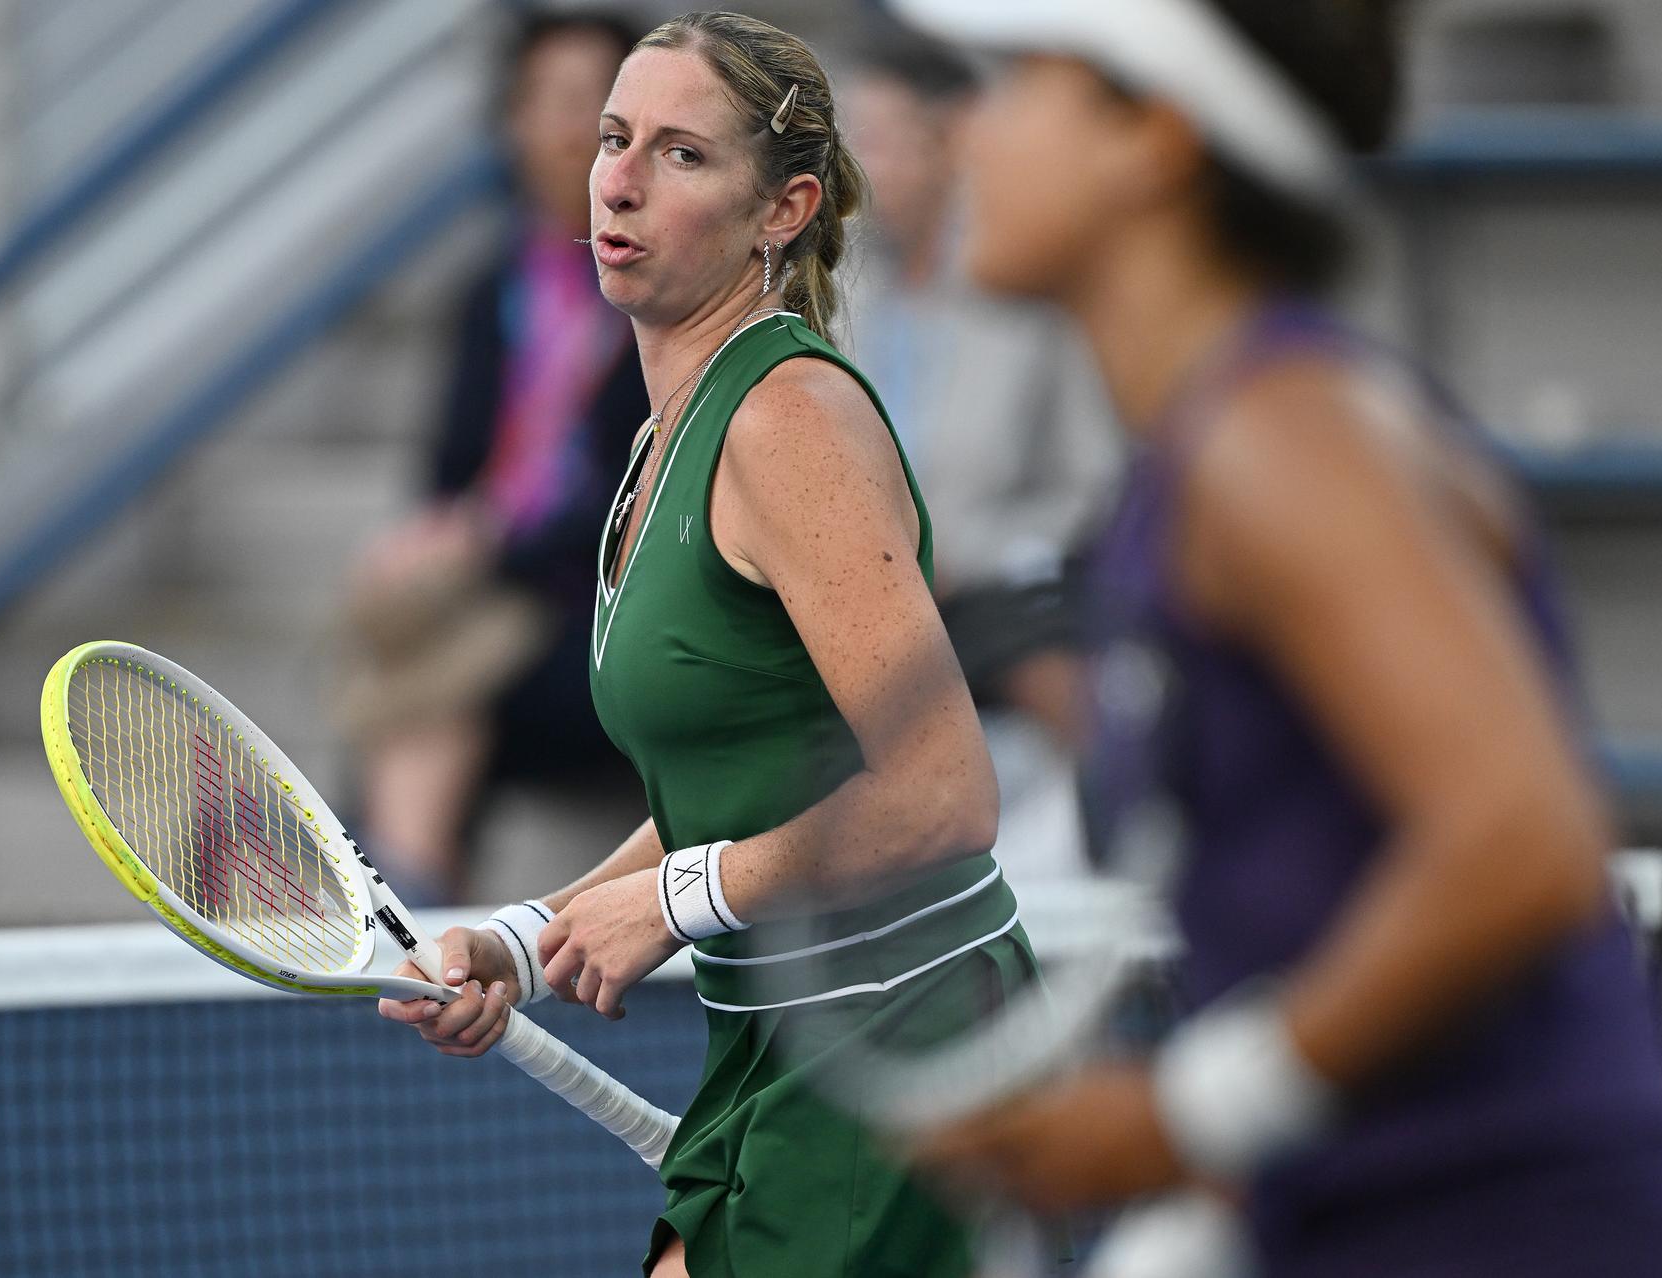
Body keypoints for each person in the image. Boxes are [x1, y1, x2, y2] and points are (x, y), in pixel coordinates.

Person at [888, 1, 1662, 1275]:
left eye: (1023, 81)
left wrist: (1189, 1117)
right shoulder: (1203, 456)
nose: (967, 131)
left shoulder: (1277, 442)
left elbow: (1521, 840)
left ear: (1151, 136)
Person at [379, 13, 1028, 1278]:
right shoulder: (663, 433)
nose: (615, 177)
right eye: (615, 139)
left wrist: (681, 903)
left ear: (782, 209)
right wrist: (530, 934)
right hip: (780, 1029)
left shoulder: (785, 420)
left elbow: (946, 791)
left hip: (896, 1031)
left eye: (681, 155)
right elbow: (739, 790)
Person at [335, 10, 646, 904]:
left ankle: (401, 924)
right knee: (420, 670)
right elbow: (450, 474)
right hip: (500, 609)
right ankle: (415, 909)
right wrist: (446, 543)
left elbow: (643, 499)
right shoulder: (491, 292)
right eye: (545, 103)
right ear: (509, 123)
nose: (569, 132)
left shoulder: (661, 289)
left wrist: (487, 545)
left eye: (594, 107)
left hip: (605, 618)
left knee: (419, 699)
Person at [842, 26, 1121, 885]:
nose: (862, 170)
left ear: (950, 141)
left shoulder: (1019, 281)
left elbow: (1093, 481)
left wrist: (974, 552)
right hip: (853, 588)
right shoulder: (834, 289)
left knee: (1050, 655)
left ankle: (1128, 854)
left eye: (883, 141)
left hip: (985, 582)